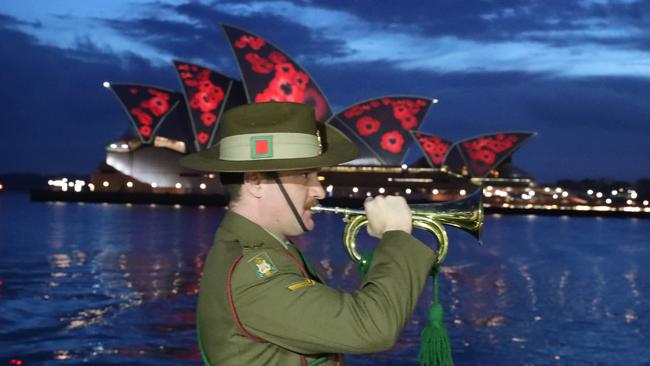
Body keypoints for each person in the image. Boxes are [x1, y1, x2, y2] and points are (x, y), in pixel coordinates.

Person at [180, 102, 437, 365]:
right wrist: (396, 236)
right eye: (305, 176)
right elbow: (371, 328)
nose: (319, 191)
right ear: (255, 181)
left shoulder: (262, 251)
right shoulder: (252, 272)